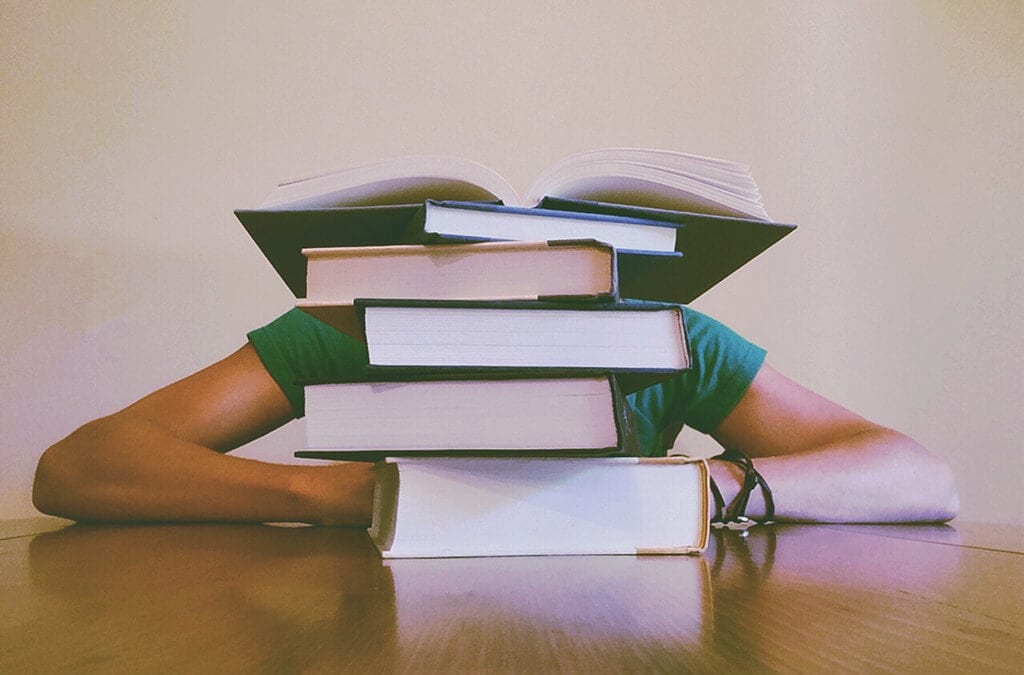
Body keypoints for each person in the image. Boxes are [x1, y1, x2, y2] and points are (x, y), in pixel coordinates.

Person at [32, 306, 959, 526]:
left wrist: (713, 485)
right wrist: (352, 494)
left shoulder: (664, 339)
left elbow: (920, 474)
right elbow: (76, 467)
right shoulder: (352, 326)